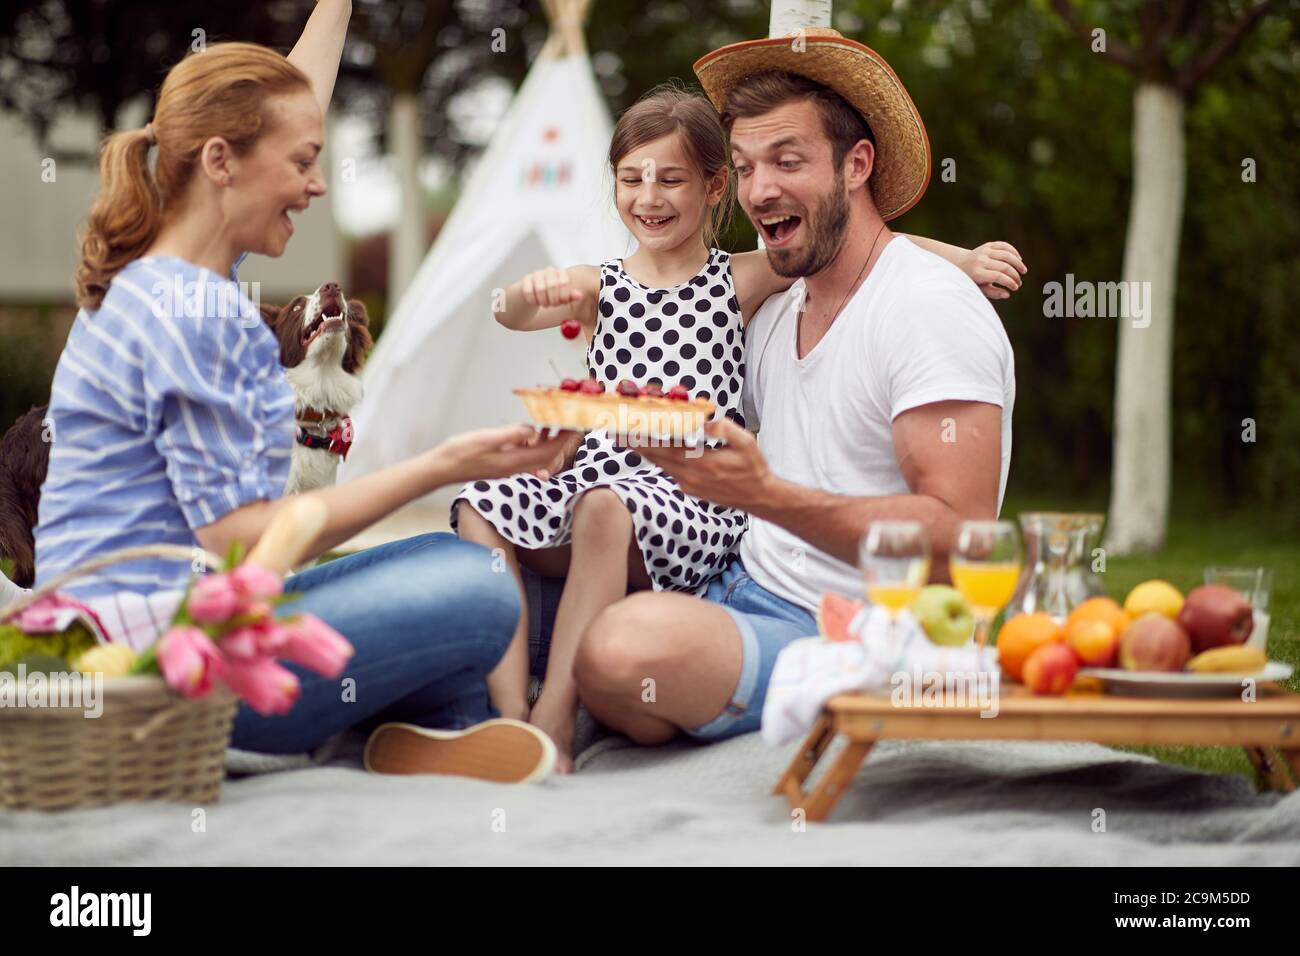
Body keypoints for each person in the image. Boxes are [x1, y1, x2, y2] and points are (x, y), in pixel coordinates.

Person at [33, 2, 570, 783]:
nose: (318, 184)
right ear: (220, 162)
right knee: (477, 590)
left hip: (185, 621)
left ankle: (423, 736)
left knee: (471, 571)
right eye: (303, 163)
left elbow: (283, 106)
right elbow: (247, 545)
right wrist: (439, 464)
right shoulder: (195, 316)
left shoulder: (171, 275)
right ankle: (434, 720)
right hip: (152, 672)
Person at [455, 83, 1022, 771]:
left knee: (621, 650)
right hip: (720, 573)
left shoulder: (923, 310)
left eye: (787, 161)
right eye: (749, 165)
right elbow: (644, 382)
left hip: (827, 618)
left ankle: (554, 728)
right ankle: (496, 723)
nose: (760, 190)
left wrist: (763, 496)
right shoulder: (783, 306)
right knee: (448, 594)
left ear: (857, 165)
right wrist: (583, 422)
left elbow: (962, 536)